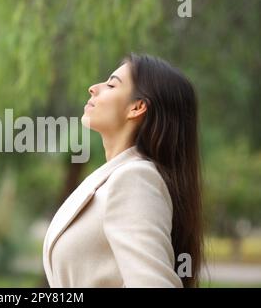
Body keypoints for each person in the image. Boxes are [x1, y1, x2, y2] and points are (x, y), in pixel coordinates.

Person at [43, 53, 203, 288]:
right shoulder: (111, 178)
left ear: (137, 107)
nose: (93, 88)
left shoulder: (135, 179)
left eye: (111, 84)